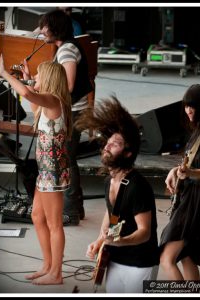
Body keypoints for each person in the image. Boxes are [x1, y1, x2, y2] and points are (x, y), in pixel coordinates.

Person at [0, 54, 72, 285]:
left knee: (54, 222)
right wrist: (27, 77)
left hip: (53, 172)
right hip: (45, 171)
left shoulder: (55, 99)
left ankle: (56, 274)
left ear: (48, 80)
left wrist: (5, 74)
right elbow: (31, 99)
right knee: (37, 216)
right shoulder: (47, 102)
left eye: (39, 75)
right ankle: (47, 265)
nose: (34, 78)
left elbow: (28, 93)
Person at [75, 97, 159, 293]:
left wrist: (119, 241)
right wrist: (100, 240)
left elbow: (144, 231)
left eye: (115, 144)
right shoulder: (109, 181)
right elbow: (112, 213)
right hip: (115, 259)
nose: (107, 146)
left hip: (140, 263)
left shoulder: (137, 186)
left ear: (128, 153)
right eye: (108, 142)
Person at [159, 84, 200, 280]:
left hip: (197, 200)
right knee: (187, 257)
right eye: (186, 106)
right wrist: (174, 171)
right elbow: (188, 163)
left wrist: (190, 173)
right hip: (189, 196)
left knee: (166, 257)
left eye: (192, 106)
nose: (188, 110)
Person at [38, 9, 93, 225]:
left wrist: (42, 90)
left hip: (73, 112)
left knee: (67, 161)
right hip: (73, 110)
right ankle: (75, 209)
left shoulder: (67, 50)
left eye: (45, 26)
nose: (42, 30)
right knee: (68, 160)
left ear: (56, 28)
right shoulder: (65, 47)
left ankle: (70, 211)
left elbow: (67, 85)